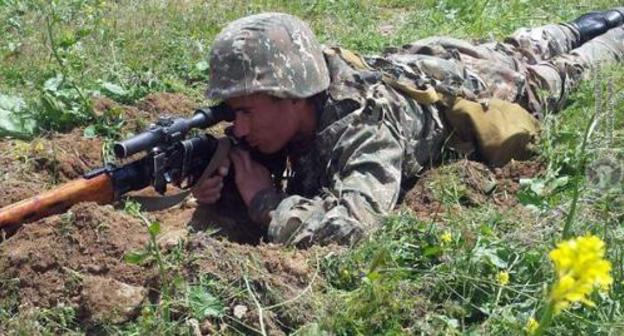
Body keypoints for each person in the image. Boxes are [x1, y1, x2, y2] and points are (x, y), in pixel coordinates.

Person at [192, 9, 624, 247]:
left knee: (561, 69)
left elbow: (356, 226)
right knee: (520, 45)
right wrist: (225, 181)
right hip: (432, 62)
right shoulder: (303, 85)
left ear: (293, 96)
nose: (239, 127)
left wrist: (266, 201)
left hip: (484, 86)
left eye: (246, 112)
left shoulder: (362, 127)